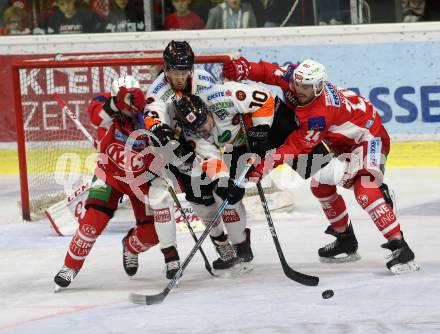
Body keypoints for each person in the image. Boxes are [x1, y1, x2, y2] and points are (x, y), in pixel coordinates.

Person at [246, 59, 419, 274]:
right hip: (344, 142)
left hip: (369, 138)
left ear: (318, 86)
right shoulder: (296, 80)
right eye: (297, 84)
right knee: (320, 185)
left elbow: (297, 145)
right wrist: (242, 66)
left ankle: (401, 247)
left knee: (365, 191)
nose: (298, 90)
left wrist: (267, 164)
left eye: (305, 87)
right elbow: (269, 71)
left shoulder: (320, 113)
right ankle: (345, 239)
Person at [133, 40, 251, 271]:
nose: (180, 77)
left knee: (225, 192)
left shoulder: (205, 79)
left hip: (206, 144)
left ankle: (242, 243)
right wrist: (160, 131)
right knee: (201, 203)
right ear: (166, 68)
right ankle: (222, 244)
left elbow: (219, 107)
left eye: (185, 71)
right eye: (176, 71)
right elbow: (152, 115)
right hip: (179, 151)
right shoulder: (157, 91)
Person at [53, 76, 163, 290]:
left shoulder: (147, 106)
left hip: (141, 179)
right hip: (109, 174)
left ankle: (130, 247)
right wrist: (116, 104)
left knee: (152, 234)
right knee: (91, 223)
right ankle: (70, 266)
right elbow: (97, 117)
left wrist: (141, 111)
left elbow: (159, 134)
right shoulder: (104, 102)